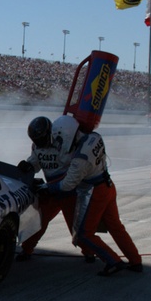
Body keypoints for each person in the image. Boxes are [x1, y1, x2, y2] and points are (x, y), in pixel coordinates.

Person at [47, 115, 142, 276]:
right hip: (108, 185)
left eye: (60, 139)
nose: (59, 143)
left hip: (95, 192)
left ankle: (113, 261)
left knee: (84, 234)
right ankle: (135, 260)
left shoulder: (80, 159)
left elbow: (67, 185)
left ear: (68, 133)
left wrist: (48, 187)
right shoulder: (94, 136)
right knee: (115, 227)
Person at [15, 116, 95, 262]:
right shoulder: (36, 146)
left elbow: (75, 168)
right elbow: (36, 161)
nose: (39, 143)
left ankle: (89, 252)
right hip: (50, 190)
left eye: (40, 139)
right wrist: (28, 166)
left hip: (70, 191)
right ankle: (26, 250)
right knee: (37, 221)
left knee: (76, 226)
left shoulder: (66, 142)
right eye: (35, 140)